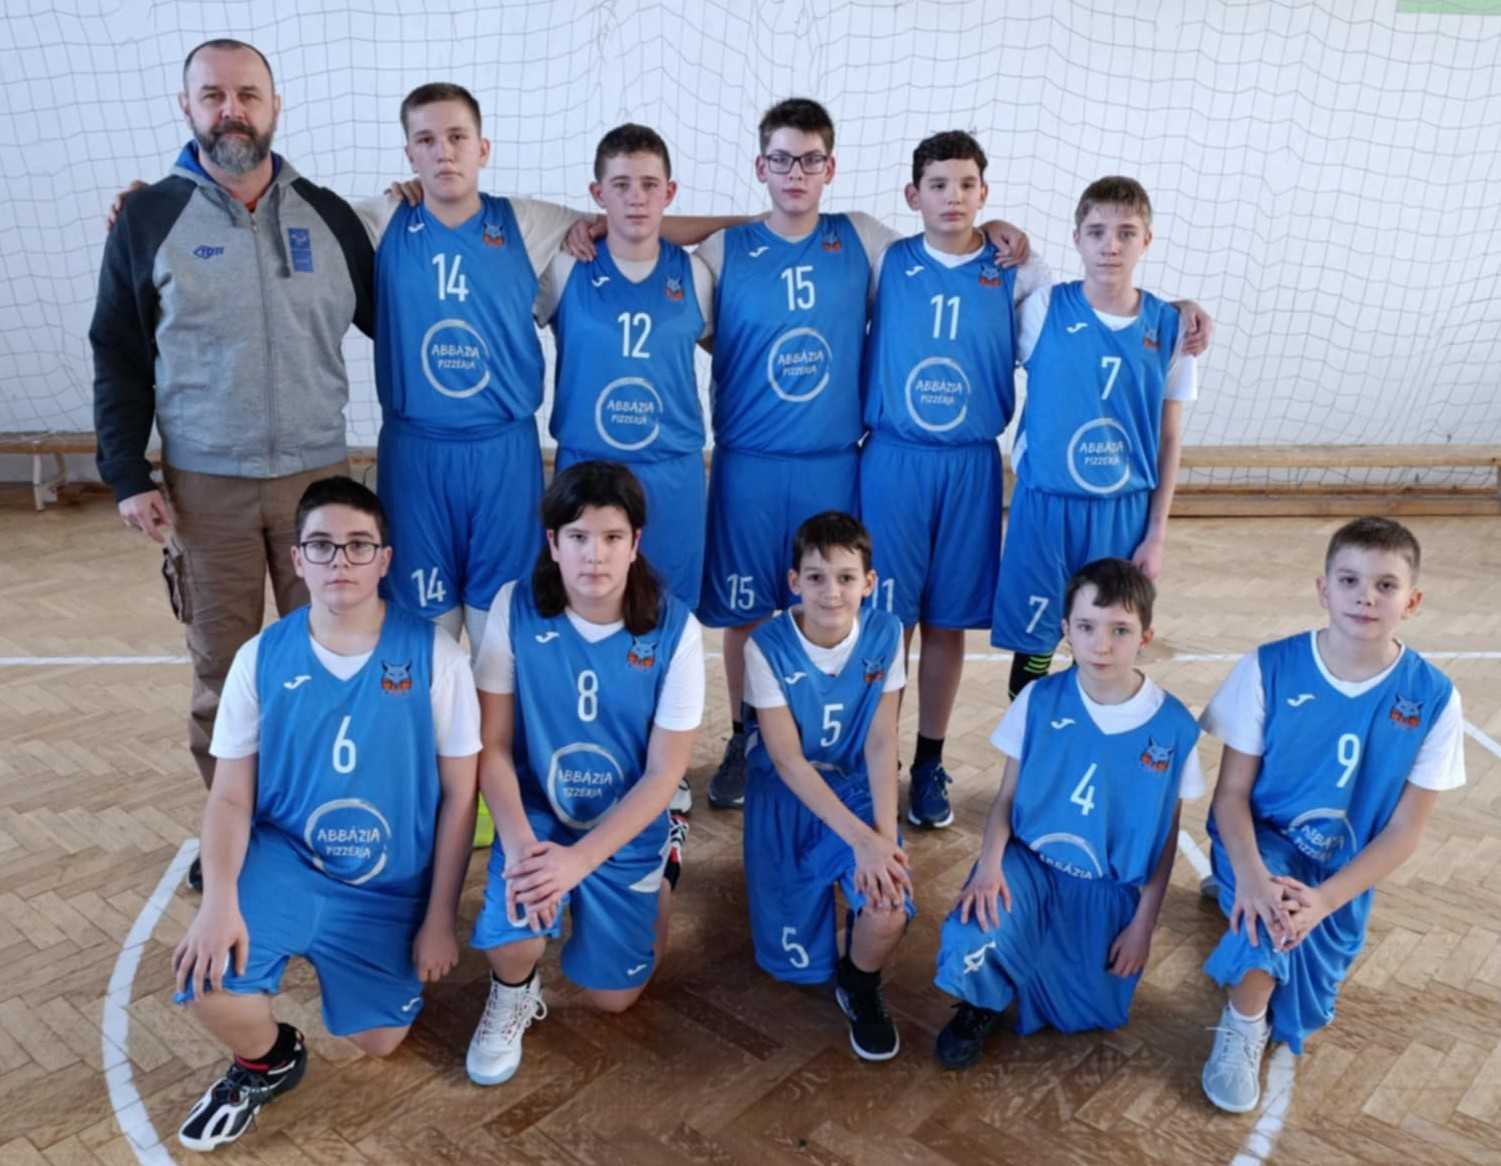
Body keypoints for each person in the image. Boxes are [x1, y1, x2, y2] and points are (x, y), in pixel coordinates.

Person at [91, 40, 376, 890]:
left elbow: (399, 319)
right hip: (204, 489)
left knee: (328, 663)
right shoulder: (149, 218)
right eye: (212, 95)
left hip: (318, 489)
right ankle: (238, 836)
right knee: (226, 674)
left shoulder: (331, 217)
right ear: (186, 107)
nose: (231, 110)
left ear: (275, 105)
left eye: (247, 94)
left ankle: (324, 823)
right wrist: (126, 473)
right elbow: (118, 352)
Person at [693, 98, 1030, 811]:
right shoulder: (725, 250)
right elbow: (676, 285)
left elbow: (949, 246)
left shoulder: (866, 241)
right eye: (781, 159)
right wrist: (605, 223)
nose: (795, 172)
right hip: (747, 460)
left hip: (836, 463)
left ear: (830, 167)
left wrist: (999, 229)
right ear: (760, 166)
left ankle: (854, 745)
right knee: (746, 612)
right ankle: (745, 738)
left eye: (810, 159)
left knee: (835, 607)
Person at [170, 476, 480, 1151]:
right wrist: (217, 901)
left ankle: (330, 955)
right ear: (297, 558)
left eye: (358, 545)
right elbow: (230, 796)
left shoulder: (436, 655)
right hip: (289, 862)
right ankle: (268, 1060)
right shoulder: (261, 657)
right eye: (322, 545)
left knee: (380, 1039)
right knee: (208, 982)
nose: (341, 560)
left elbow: (462, 796)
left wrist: (439, 917)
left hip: (387, 880)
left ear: (384, 560)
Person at [1198, 517, 1466, 1112]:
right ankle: (1242, 1025)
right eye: (1349, 580)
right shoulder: (1268, 667)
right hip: (1263, 838)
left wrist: (1325, 899)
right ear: (1323, 590)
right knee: (1269, 914)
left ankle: (1249, 900)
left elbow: (1405, 831)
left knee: (1305, 989)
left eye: (1385, 585)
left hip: (1341, 865)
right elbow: (1230, 796)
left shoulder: (1434, 696)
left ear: (1412, 601)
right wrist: (1252, 875)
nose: (1365, 596)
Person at [464, 460, 703, 1087]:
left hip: (626, 815)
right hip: (540, 811)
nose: (594, 555)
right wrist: (522, 846)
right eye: (578, 537)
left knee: (613, 998)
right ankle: (511, 994)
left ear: (635, 543)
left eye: (612, 537)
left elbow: (665, 772)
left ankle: (667, 859)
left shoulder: (677, 629)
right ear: (553, 543)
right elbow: (492, 747)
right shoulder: (515, 606)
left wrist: (579, 862)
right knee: (513, 938)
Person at [932, 558, 1202, 1069]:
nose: (1101, 645)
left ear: (1146, 636)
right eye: (1086, 627)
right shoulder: (1039, 698)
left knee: (1089, 1012)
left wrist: (1143, 924)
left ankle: (1035, 963)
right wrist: (989, 866)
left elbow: (1166, 836)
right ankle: (979, 1005)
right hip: (1029, 866)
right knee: (974, 930)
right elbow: (1005, 799)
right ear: (1066, 631)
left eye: (1120, 630)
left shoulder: (1173, 726)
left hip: (1105, 887)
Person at [858, 130, 1050, 829]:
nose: (953, 197)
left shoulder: (1018, 272)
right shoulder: (884, 260)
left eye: (967, 184)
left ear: (984, 193)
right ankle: (874, 758)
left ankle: (930, 761)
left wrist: (1173, 313)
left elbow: (1088, 315)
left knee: (946, 622)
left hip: (970, 463)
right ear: (913, 195)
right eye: (938, 184)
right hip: (893, 460)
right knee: (888, 623)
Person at [992, 176, 1199, 700]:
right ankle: (1034, 744)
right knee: (1036, 649)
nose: (1111, 245)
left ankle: (1093, 741)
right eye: (1097, 231)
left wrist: (1156, 534)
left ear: (1146, 240)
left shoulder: (1172, 327)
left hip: (1122, 512)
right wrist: (993, 225)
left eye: (1126, 233)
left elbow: (1169, 438)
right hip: (1046, 507)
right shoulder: (1043, 308)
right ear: (1077, 239)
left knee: (1106, 648)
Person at [742, 511, 911, 1059]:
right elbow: (788, 761)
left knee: (887, 906)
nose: (831, 591)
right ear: (794, 582)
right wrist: (861, 841)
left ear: (869, 582)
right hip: (785, 796)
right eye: (815, 577)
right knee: (792, 965)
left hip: (856, 787)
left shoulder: (887, 634)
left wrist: (883, 839)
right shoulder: (765, 645)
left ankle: (859, 985)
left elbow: (882, 740)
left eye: (845, 577)